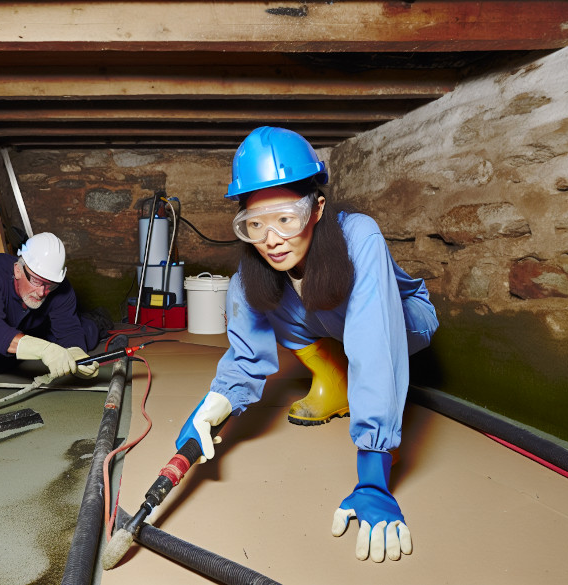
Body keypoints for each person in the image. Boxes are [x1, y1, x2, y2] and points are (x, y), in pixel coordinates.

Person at [175, 127, 438, 563]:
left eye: (285, 219)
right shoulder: (249, 276)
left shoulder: (359, 237)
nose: (271, 239)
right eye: (254, 225)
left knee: (365, 336)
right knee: (264, 301)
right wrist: (208, 412)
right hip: (327, 321)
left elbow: (374, 345)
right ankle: (335, 379)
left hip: (403, 319)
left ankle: (349, 384)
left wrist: (373, 478)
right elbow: (245, 357)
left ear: (315, 209)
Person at [0, 232, 111, 380]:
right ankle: (35, 342)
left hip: (38, 322)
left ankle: (95, 321)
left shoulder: (60, 287)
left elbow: (69, 330)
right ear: (18, 270)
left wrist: (76, 354)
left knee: (85, 338)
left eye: (50, 285)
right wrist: (43, 350)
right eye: (36, 282)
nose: (41, 292)